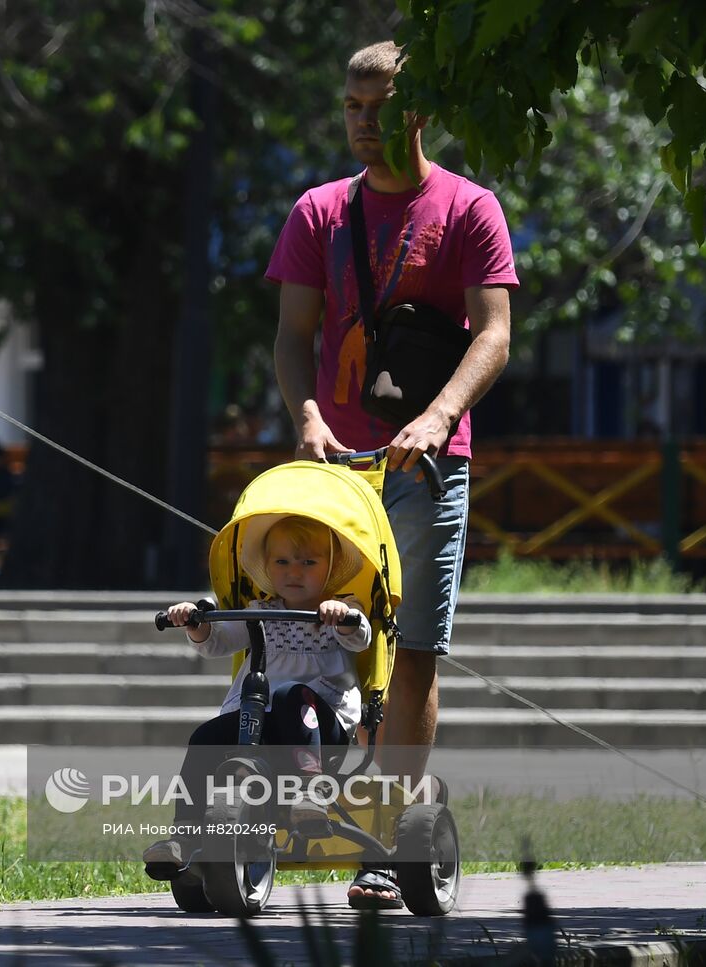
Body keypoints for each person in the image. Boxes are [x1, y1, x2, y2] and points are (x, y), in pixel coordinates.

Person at [267, 40, 517, 909]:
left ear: (419, 113)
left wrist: (441, 414)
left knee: (411, 653)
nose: (364, 123)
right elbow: (293, 338)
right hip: (335, 469)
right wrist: (306, 417)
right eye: (352, 106)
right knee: (326, 635)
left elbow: (495, 333)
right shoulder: (318, 213)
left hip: (428, 462)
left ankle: (384, 841)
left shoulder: (470, 207)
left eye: (381, 107)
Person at [142, 515, 371, 880]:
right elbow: (216, 642)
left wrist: (342, 616)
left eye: (308, 563)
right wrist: (195, 622)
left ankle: (310, 793)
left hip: (318, 729)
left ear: (331, 569)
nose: (294, 572)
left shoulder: (342, 609)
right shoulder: (260, 612)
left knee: (290, 694)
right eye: (282, 562)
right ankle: (185, 832)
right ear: (267, 568)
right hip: (260, 726)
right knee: (205, 738)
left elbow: (360, 636)